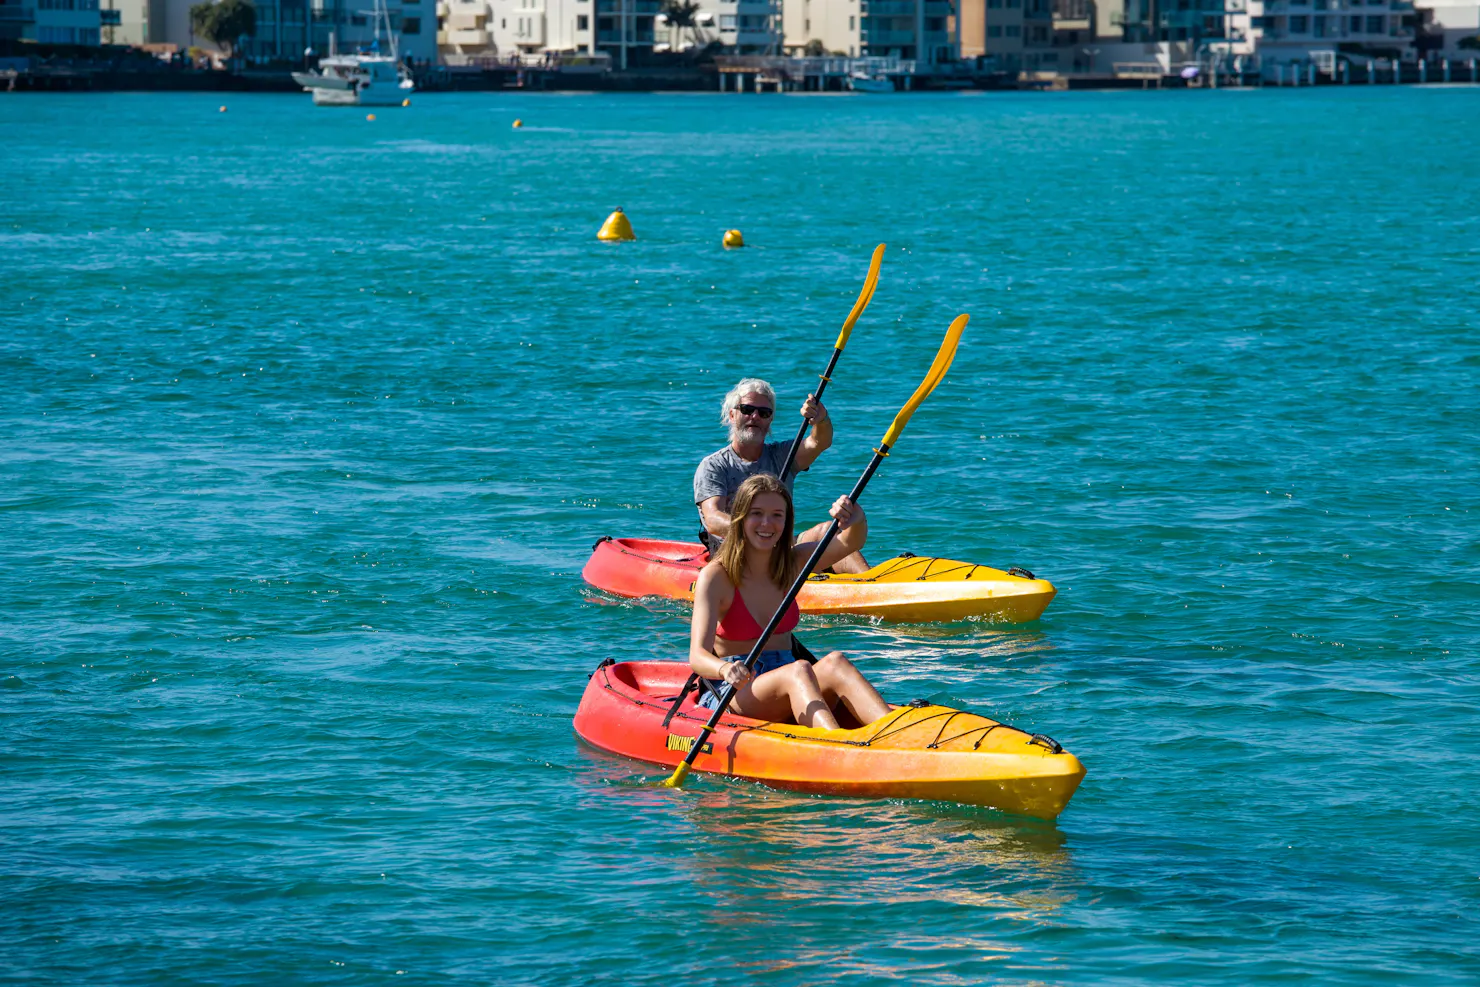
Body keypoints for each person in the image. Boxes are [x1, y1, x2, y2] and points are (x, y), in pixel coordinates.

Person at [689, 473, 891, 730]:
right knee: (799, 670)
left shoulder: (792, 562)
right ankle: (837, 747)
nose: (767, 523)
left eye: (777, 515)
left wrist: (855, 516)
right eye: (756, 513)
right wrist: (724, 670)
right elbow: (698, 656)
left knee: (835, 663)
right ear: (740, 517)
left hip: (793, 676)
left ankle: (895, 734)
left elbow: (851, 541)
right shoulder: (717, 576)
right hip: (736, 690)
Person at [693, 378, 869, 574]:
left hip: (780, 548)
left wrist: (820, 419)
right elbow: (713, 520)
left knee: (828, 531)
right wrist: (758, 528)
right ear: (732, 415)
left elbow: (820, 441)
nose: (755, 416)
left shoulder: (782, 455)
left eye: (764, 413)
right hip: (735, 556)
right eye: (747, 409)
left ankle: (873, 587)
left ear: (770, 421)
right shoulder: (713, 466)